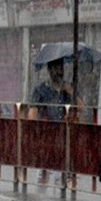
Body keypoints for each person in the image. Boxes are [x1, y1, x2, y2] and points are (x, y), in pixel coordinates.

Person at [27, 58, 83, 190]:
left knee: (61, 170)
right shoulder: (40, 90)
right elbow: (32, 113)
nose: (58, 72)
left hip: (64, 135)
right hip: (46, 136)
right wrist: (36, 131)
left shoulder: (68, 88)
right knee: (43, 170)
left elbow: (80, 107)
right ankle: (41, 197)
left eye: (60, 68)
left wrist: (70, 91)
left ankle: (61, 196)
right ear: (49, 70)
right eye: (55, 68)